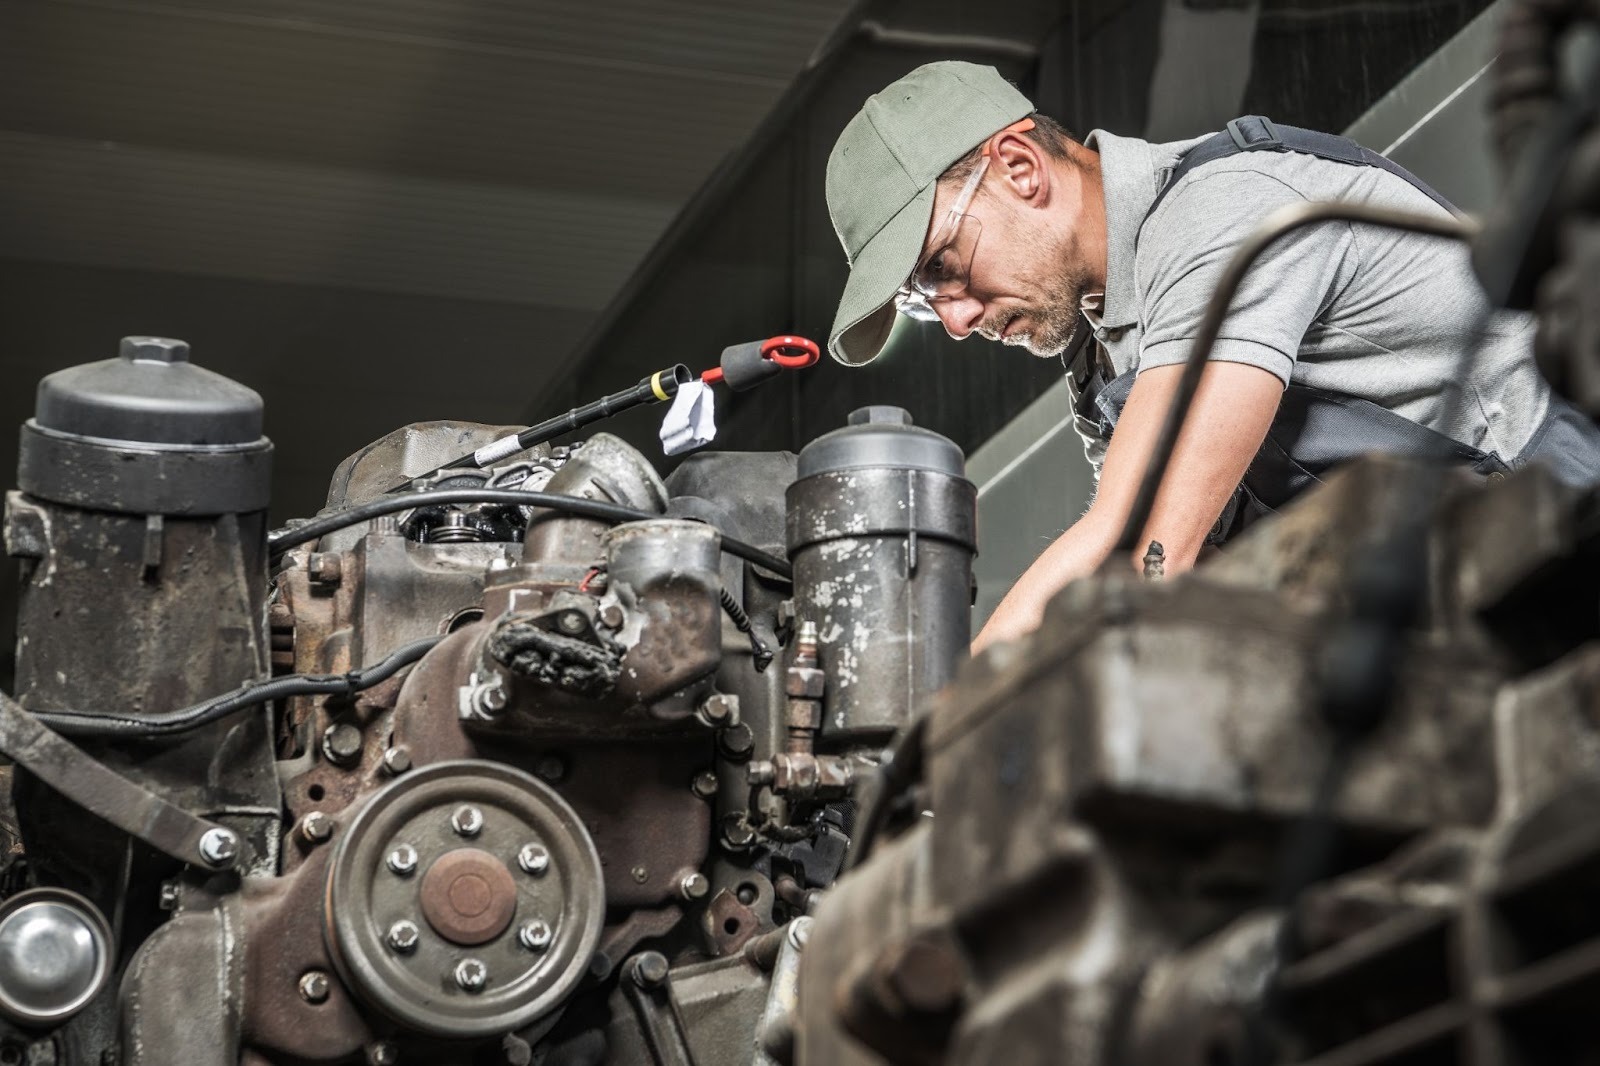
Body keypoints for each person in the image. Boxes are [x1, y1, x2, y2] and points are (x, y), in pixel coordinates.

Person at [823, 60, 1600, 652]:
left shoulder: (1218, 216)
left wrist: (939, 742)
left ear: (1021, 170)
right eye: (926, 305)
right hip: (1446, 597)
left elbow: (1143, 548)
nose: (955, 321)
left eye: (944, 270)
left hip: (1564, 516)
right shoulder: (1105, 367)